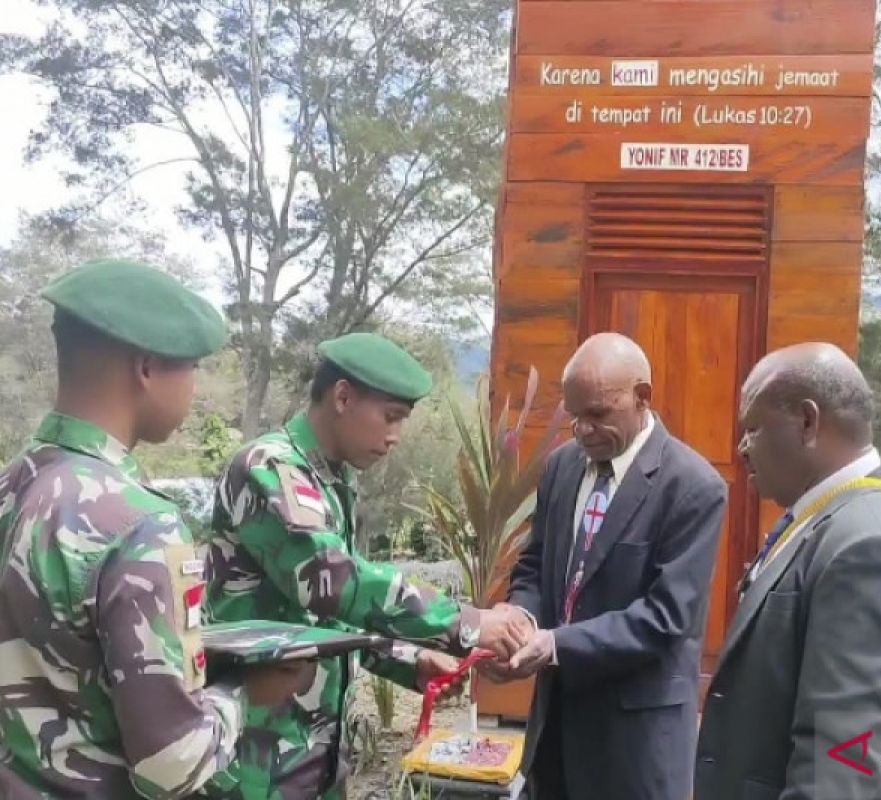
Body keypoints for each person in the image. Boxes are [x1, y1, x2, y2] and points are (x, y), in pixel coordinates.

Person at [0, 258, 307, 798]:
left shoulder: (11, 488)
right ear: (146, 368)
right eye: (191, 367)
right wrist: (247, 694)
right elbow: (173, 764)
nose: (195, 387)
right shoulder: (139, 523)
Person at [205, 331, 533, 798]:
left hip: (314, 745)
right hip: (258, 749)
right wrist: (467, 622)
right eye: (390, 417)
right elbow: (332, 582)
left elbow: (331, 620)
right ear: (342, 396)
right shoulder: (270, 469)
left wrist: (409, 662)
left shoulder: (333, 480)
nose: (395, 437)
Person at [694, 342, 881, 800]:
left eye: (753, 428)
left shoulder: (872, 547)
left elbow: (837, 766)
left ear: (808, 422)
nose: (742, 448)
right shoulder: (826, 521)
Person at [486, 332, 728, 800]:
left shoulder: (693, 487)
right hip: (555, 734)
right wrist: (520, 619)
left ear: (643, 398)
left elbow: (665, 618)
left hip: (635, 748)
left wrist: (554, 644)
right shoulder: (561, 468)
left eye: (597, 415)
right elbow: (536, 564)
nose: (582, 431)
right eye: (575, 416)